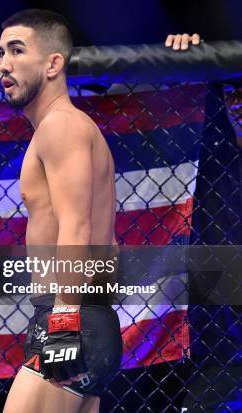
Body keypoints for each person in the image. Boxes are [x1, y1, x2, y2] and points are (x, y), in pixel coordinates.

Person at [0, 9, 122, 413]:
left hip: (68, 315)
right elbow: (110, 247)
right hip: (87, 316)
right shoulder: (72, 127)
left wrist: (66, 322)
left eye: (17, 50)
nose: (4, 64)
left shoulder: (61, 126)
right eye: (1, 52)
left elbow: (77, 226)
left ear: (53, 64)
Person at [166, 33, 242, 412]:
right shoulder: (211, 159)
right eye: (232, 93)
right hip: (216, 342)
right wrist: (187, 50)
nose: (239, 104)